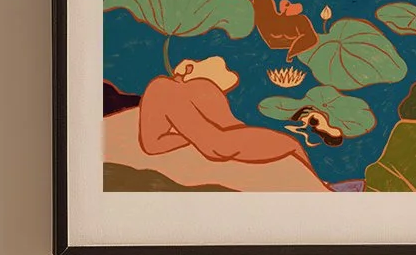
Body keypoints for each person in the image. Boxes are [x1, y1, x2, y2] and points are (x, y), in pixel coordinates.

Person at [137, 56, 319, 175]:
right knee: (293, 144)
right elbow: (230, 128)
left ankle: (321, 186)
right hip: (225, 143)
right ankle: (321, 187)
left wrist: (188, 136)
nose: (228, 72)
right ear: (190, 67)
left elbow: (153, 145)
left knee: (292, 145)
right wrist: (190, 135)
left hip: (221, 142)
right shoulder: (199, 87)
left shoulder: (164, 87)